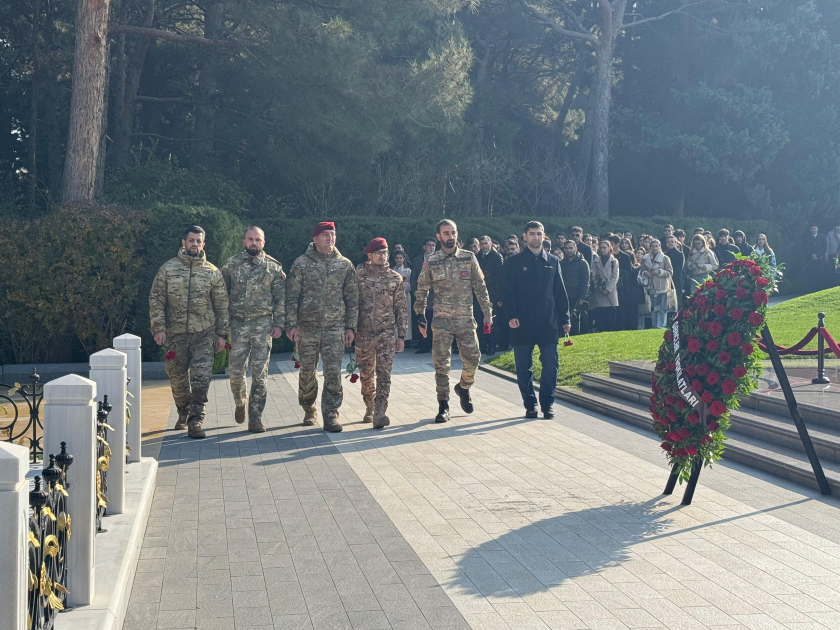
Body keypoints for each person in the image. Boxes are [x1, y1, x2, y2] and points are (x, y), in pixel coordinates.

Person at [149, 225, 229, 439]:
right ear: (183, 243)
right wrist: (158, 328)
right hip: (175, 335)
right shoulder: (168, 269)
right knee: (177, 378)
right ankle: (183, 412)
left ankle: (196, 420)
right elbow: (156, 299)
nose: (195, 244)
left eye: (198, 241)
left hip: (204, 333)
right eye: (191, 240)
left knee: (201, 378)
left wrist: (221, 335)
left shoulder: (212, 272)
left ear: (203, 244)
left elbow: (221, 305)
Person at [414, 220, 493, 423]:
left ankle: (463, 387)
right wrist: (420, 314)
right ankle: (443, 405)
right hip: (441, 320)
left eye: (453, 233)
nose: (450, 237)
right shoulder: (431, 260)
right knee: (441, 364)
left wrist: (487, 312)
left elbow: (480, 287)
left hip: (465, 318)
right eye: (446, 233)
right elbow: (422, 288)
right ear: (439, 236)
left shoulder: (469, 257)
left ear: (457, 235)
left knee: (474, 358)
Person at [286, 222, 359, 433]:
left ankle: (331, 414)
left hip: (335, 328)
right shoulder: (301, 264)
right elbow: (292, 297)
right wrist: (291, 324)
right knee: (307, 372)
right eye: (325, 235)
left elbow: (352, 299)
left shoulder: (345, 265)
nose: (330, 238)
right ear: (315, 239)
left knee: (333, 373)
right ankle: (309, 408)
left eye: (333, 234)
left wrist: (350, 327)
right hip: (307, 328)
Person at [221, 226, 286, 433]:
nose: (254, 243)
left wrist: (278, 324)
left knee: (260, 374)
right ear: (243, 242)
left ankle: (255, 417)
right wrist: (223, 328)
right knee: (236, 372)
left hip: (262, 327)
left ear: (263, 243)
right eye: (250, 239)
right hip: (238, 326)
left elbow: (280, 299)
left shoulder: (273, 267)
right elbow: (222, 298)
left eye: (258, 240)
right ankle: (241, 402)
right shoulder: (231, 266)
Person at [504, 221, 570, 419]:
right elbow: (508, 293)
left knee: (551, 364)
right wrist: (511, 315)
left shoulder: (553, 261)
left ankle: (547, 403)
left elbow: (560, 292)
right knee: (523, 366)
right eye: (531, 234)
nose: (535, 237)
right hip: (521, 323)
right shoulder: (513, 262)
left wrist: (565, 318)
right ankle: (530, 404)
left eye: (539, 234)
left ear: (544, 236)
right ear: (524, 236)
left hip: (548, 322)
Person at [356, 238, 408, 429]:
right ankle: (369, 405)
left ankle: (380, 411)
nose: (382, 256)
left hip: (386, 334)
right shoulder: (359, 277)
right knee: (366, 374)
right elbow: (353, 306)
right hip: (364, 334)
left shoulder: (395, 278)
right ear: (369, 255)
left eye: (384, 252)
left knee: (384, 373)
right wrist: (350, 330)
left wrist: (401, 335)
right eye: (378, 252)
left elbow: (401, 308)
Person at [477, 235, 504, 355]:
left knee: (492, 321)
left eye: (485, 244)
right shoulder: (478, 256)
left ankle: (492, 345)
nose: (483, 246)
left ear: (490, 243)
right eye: (481, 244)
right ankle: (482, 345)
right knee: (479, 319)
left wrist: (499, 297)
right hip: (479, 293)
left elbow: (500, 277)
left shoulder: (496, 257)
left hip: (492, 292)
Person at [641, 239, 675, 329]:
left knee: (662, 306)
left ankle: (661, 325)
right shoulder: (646, 258)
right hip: (650, 285)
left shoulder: (665, 258)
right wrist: (646, 273)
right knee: (652, 306)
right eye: (653, 246)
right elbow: (642, 270)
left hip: (662, 286)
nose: (655, 248)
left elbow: (670, 272)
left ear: (660, 247)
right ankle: (654, 325)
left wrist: (660, 272)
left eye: (657, 246)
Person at [412, 238, 437, 353]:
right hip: (421, 295)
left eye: (433, 245)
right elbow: (413, 278)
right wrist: (415, 292)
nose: (431, 247)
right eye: (429, 245)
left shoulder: (439, 260)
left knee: (433, 321)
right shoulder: (417, 260)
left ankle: (432, 344)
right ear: (424, 247)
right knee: (422, 319)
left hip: (435, 296)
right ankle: (424, 344)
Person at [560, 240, 590, 336]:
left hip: (576, 296)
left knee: (576, 320)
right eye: (566, 248)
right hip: (563, 296)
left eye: (571, 248)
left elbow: (586, 281)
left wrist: (582, 297)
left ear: (575, 249)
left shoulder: (582, 263)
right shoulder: (561, 263)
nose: (568, 250)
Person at [590, 240, 619, 332]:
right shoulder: (596, 261)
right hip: (599, 291)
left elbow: (615, 277)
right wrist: (599, 288)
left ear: (609, 248)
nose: (602, 250)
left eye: (604, 248)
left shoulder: (614, 261)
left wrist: (608, 289)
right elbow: (594, 276)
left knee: (610, 315)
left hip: (610, 291)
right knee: (600, 316)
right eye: (601, 248)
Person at [393, 251, 413, 343]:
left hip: (405, 296)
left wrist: (400, 287)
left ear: (404, 259)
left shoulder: (408, 271)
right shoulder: (391, 270)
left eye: (400, 258)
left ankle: (406, 338)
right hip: (393, 297)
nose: (399, 260)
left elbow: (410, 284)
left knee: (405, 317)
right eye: (397, 258)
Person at [804, 224, 827, 292]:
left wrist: (817, 254)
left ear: (817, 229)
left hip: (820, 259)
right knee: (812, 275)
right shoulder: (807, 238)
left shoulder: (822, 236)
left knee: (820, 274)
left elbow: (824, 247)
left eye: (815, 228)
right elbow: (805, 248)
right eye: (812, 229)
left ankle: (820, 289)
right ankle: (812, 290)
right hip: (811, 260)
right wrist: (812, 255)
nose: (814, 230)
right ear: (810, 230)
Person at [663, 235, 685, 309]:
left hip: (676, 280)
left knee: (675, 303)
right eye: (668, 242)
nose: (670, 243)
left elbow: (678, 269)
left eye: (672, 242)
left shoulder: (680, 254)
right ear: (666, 244)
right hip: (665, 280)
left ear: (676, 243)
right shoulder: (663, 254)